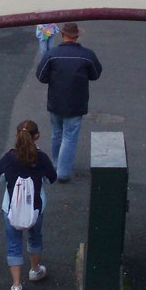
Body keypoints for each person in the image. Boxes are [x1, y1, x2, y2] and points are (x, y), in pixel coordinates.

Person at [0, 120, 57, 290]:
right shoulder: (42, 158)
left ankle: (16, 285)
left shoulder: (8, 158)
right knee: (35, 237)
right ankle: (35, 269)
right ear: (36, 136)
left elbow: (0, 178)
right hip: (36, 208)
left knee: (13, 243)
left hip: (10, 208)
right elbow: (51, 178)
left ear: (16, 136)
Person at [35, 22, 102, 182]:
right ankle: (63, 173)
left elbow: (41, 76)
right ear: (77, 35)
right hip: (76, 102)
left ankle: (56, 162)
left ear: (62, 34)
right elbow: (95, 74)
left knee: (57, 133)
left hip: (56, 101)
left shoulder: (52, 54)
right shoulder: (87, 55)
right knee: (70, 136)